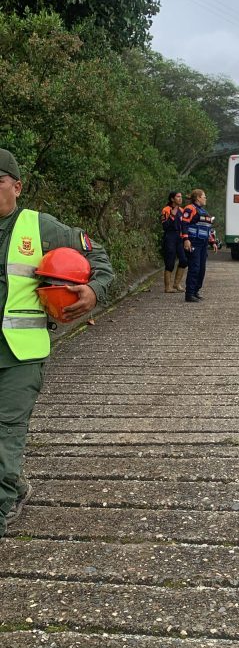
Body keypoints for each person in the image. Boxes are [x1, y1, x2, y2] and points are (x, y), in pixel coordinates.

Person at [0, 148, 114, 536]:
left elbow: (97, 257)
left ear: (17, 187)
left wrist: (94, 290)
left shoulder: (39, 227)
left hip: (20, 354)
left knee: (6, 429)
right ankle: (15, 484)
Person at [181, 188, 215, 303]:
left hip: (203, 243)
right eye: (204, 196)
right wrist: (186, 239)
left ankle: (195, 291)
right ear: (198, 198)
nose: (205, 198)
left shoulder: (204, 212)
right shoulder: (190, 209)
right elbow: (184, 224)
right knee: (194, 268)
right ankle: (189, 294)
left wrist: (212, 242)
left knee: (201, 269)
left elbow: (207, 228)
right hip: (194, 242)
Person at [161, 191, 187, 293]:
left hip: (179, 237)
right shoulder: (166, 209)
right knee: (170, 262)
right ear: (172, 199)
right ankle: (167, 287)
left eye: (181, 197)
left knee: (184, 260)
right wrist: (172, 215)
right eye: (178, 197)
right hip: (170, 236)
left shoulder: (182, 210)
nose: (180, 198)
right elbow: (165, 226)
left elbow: (184, 225)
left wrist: (186, 238)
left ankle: (176, 284)